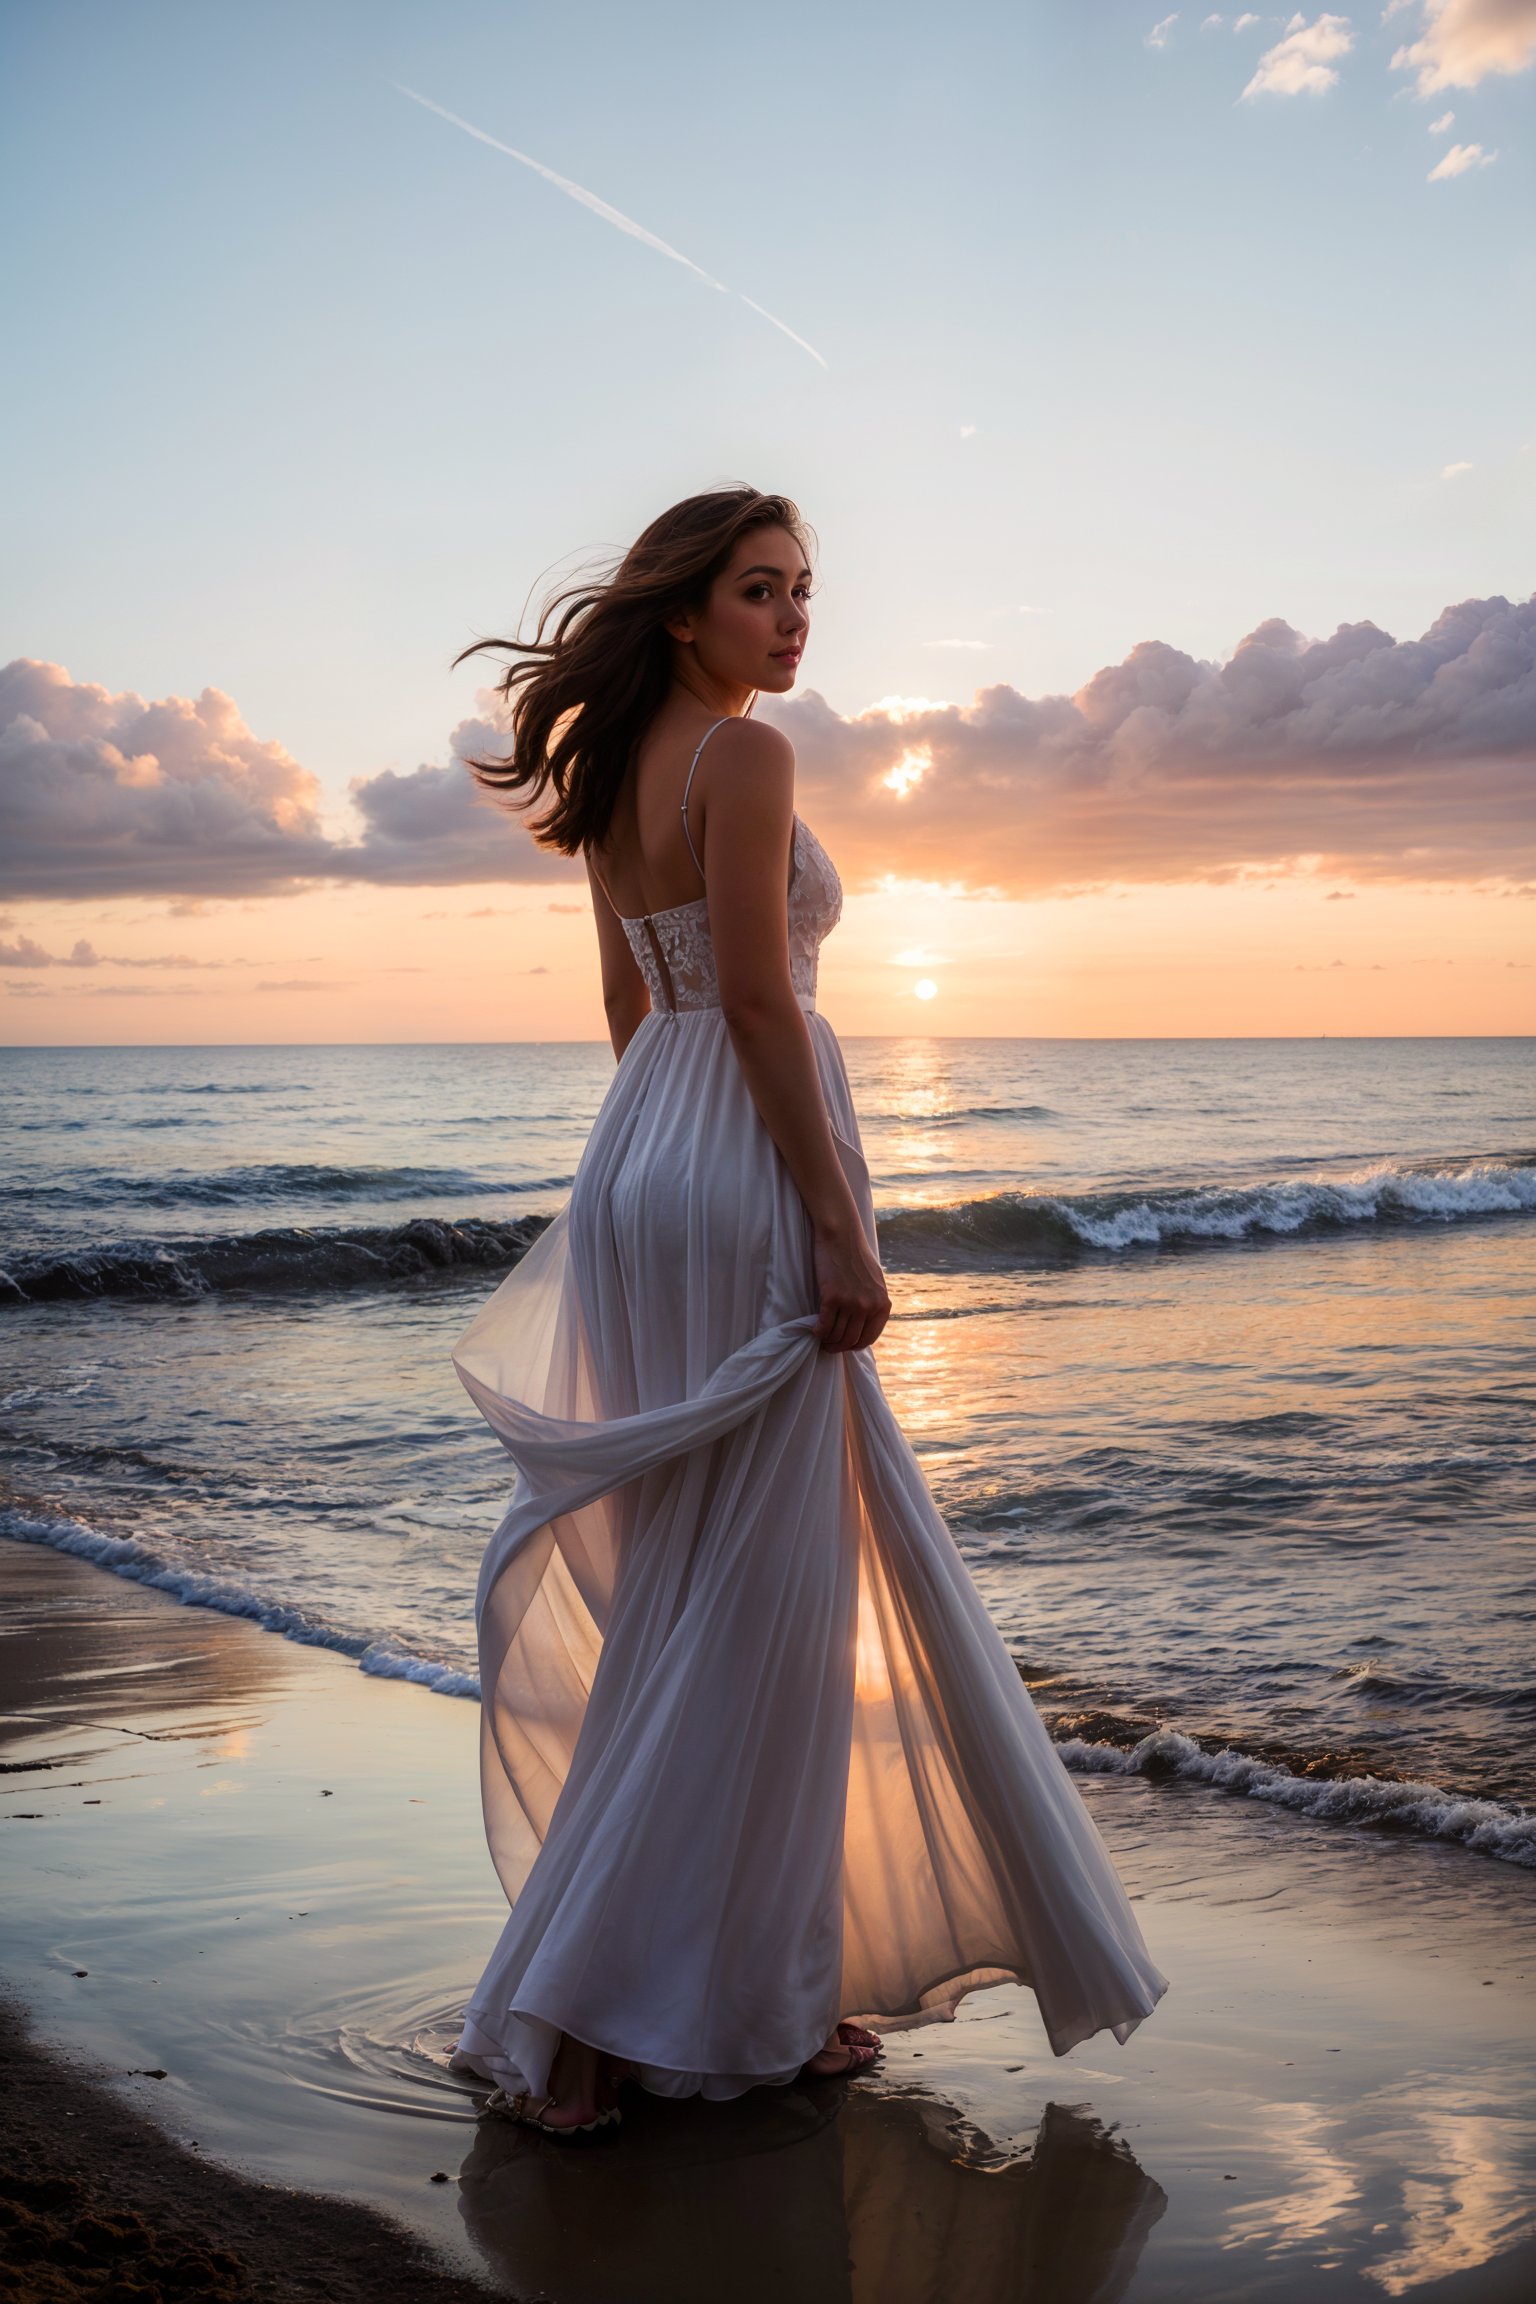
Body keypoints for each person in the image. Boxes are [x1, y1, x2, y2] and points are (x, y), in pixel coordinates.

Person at [447, 488, 1166, 2137]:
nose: (792, 620)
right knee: (762, 1590)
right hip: (740, 1165)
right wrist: (835, 1223)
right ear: (685, 611)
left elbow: (636, 1004)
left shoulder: (623, 770)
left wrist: (673, 1160)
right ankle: (599, 2015)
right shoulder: (746, 760)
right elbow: (762, 996)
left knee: (708, 1585)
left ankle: (746, 1986)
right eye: (760, 591)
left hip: (644, 1164)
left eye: (804, 592)